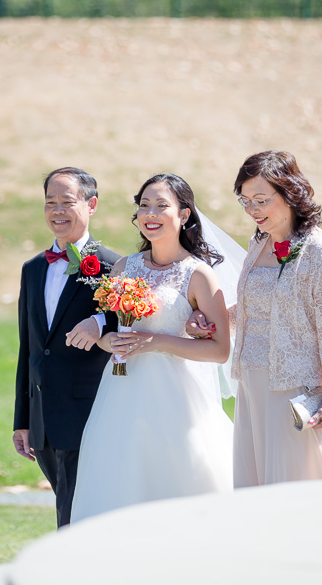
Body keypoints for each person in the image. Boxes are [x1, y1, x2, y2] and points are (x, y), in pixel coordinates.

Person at [192, 150, 322, 486]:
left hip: (291, 389)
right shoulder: (259, 242)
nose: (252, 210)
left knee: (297, 487)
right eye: (245, 201)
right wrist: (212, 323)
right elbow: (256, 307)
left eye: (260, 200)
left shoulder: (320, 254)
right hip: (252, 384)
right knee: (257, 486)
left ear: (289, 192)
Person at [68, 173, 235, 523]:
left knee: (177, 483)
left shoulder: (197, 274)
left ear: (184, 215)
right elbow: (115, 325)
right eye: (144, 205)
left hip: (175, 399)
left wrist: (156, 342)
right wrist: (104, 338)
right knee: (119, 479)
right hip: (121, 394)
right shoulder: (125, 267)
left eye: (161, 205)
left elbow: (219, 350)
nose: (150, 213)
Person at [12, 167, 121, 528]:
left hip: (86, 411)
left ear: (91, 205)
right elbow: (28, 349)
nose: (57, 210)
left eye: (67, 202)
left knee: (73, 514)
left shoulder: (112, 266)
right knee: (69, 504)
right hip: (43, 419)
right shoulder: (32, 269)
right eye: (50, 202)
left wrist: (101, 322)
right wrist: (23, 421)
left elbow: (128, 323)